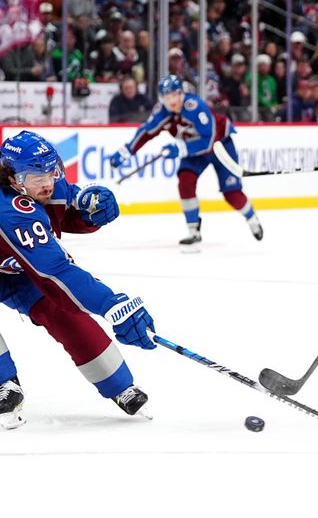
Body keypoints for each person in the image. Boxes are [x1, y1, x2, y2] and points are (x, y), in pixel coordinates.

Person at [0, 131, 155, 429]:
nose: (48, 182)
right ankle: (3, 384)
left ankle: (119, 385)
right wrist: (111, 304)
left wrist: (89, 213)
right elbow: (56, 271)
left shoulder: (46, 184)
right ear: (13, 178)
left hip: (17, 268)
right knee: (60, 289)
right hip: (23, 263)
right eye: (36, 176)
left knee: (65, 315)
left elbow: (64, 210)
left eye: (51, 170)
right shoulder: (10, 211)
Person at [109, 75, 263, 250]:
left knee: (231, 192)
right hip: (192, 149)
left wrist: (180, 149)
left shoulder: (195, 107)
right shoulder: (162, 111)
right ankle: (193, 231)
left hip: (220, 145)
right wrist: (126, 151)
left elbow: (208, 140)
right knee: (185, 181)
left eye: (174, 95)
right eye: (166, 97)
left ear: (181, 93)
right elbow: (147, 132)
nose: (171, 100)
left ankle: (251, 218)